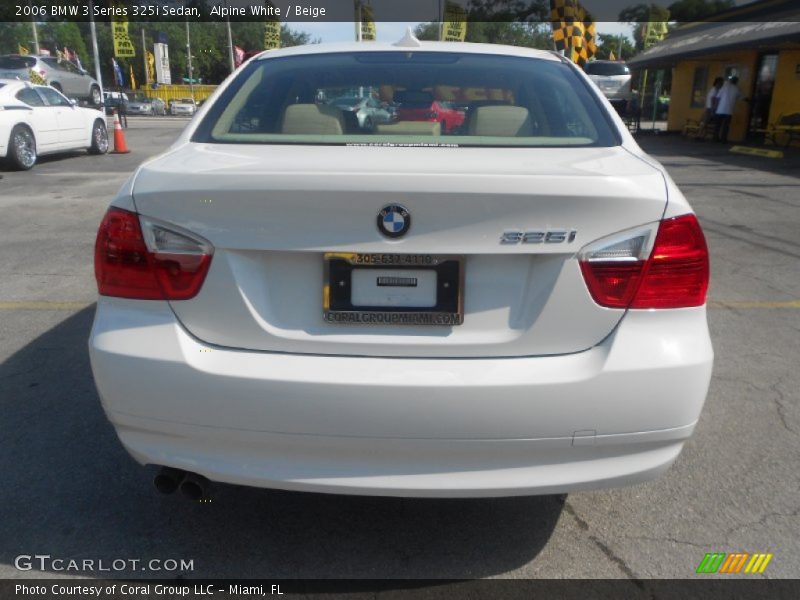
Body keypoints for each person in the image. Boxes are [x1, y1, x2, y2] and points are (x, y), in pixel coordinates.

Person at [714, 76, 743, 143]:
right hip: (729, 111)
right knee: (726, 126)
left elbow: (717, 98)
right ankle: (723, 139)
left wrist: (715, 107)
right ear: (736, 82)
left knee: (718, 125)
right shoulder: (736, 89)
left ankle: (715, 138)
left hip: (720, 110)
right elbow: (741, 97)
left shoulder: (724, 87)